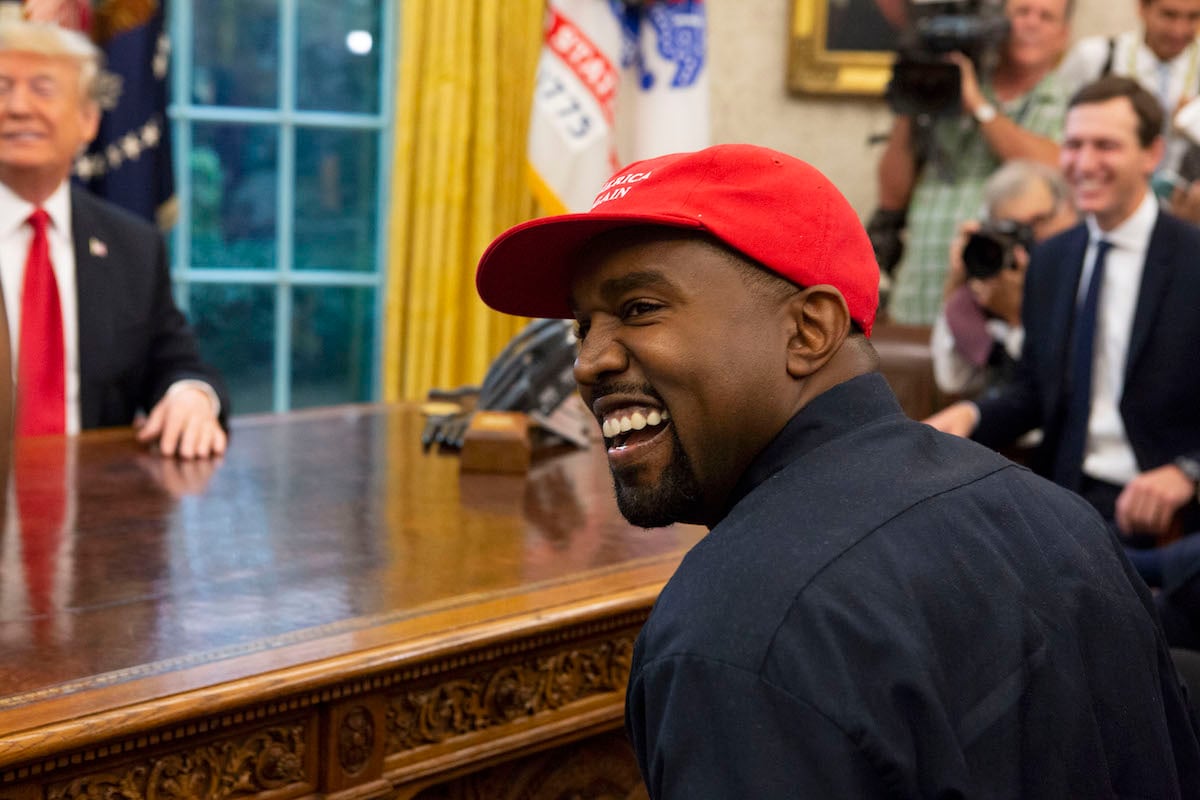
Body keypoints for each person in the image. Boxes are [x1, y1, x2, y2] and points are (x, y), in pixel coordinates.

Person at [475, 143, 1200, 797]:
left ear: (809, 329)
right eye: (581, 326)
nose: (588, 361)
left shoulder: (733, 637)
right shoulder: (1059, 517)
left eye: (638, 308)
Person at [926, 76, 1200, 541]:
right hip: (1060, 494)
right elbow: (1034, 391)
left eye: (1105, 146)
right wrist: (971, 415)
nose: (1084, 163)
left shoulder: (1193, 257)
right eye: (1073, 145)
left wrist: (1188, 473)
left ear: (1151, 155)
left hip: (1163, 510)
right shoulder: (1051, 259)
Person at [0, 18, 228, 457]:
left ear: (88, 121)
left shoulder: (132, 246)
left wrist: (191, 396)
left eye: (43, 89)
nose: (18, 108)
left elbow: (176, 364)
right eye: (1, 88)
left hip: (96, 503)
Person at [874, 0, 1071, 324]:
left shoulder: (1066, 99)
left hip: (996, 305)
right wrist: (911, 101)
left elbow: (1050, 168)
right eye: (1021, 12)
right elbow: (892, 196)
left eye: (1046, 16)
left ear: (1063, 35)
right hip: (918, 296)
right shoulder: (951, 85)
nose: (1031, 24)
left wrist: (979, 106)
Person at [930, 159, 1076, 397]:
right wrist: (958, 281)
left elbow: (1060, 387)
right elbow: (952, 378)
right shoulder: (994, 287)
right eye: (1013, 229)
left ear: (1068, 211)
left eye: (1038, 222)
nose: (1028, 240)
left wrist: (1017, 317)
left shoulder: (1085, 276)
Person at [1055, 0, 1200, 196]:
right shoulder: (1098, 56)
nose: (1179, 30)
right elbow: (1057, 129)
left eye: (1193, 17)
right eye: (1168, 15)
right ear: (1142, 8)